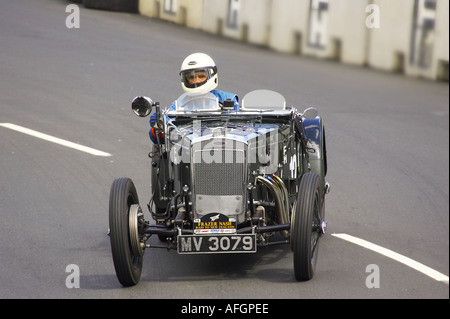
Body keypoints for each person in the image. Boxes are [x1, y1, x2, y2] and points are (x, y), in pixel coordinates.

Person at [149, 53, 239, 143]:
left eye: (201, 76)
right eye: (191, 77)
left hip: (220, 145)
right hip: (188, 148)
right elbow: (161, 136)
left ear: (212, 75)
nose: (197, 80)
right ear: (185, 79)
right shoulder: (179, 104)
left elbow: (239, 127)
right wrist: (160, 124)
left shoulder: (227, 99)